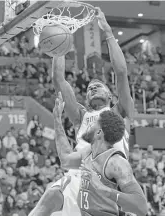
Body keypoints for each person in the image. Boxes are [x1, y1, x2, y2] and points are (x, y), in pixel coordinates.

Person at [29, 7, 133, 216]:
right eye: (89, 88)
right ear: (85, 100)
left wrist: (108, 33)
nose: (92, 87)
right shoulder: (81, 116)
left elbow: (121, 72)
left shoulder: (120, 112)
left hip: (107, 185)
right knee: (50, 197)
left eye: (98, 85)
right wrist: (60, 49)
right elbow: (59, 79)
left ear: (111, 97)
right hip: (80, 178)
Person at [52, 92, 147, 216]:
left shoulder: (115, 162)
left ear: (99, 133)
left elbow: (141, 206)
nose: (88, 125)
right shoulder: (87, 153)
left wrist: (104, 189)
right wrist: (57, 120)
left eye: (92, 124)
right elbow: (65, 160)